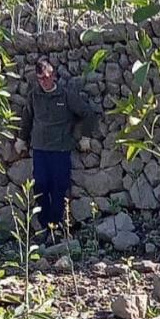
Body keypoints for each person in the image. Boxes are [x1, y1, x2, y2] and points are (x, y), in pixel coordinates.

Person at [20, 58, 98, 241]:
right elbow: (27, 117)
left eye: (46, 77)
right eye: (40, 78)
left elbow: (87, 114)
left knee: (59, 188)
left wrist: (85, 137)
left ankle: (55, 226)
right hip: (40, 149)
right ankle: (43, 226)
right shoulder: (34, 95)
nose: (44, 82)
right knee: (40, 187)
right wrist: (21, 139)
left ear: (53, 76)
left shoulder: (66, 95)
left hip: (60, 149)